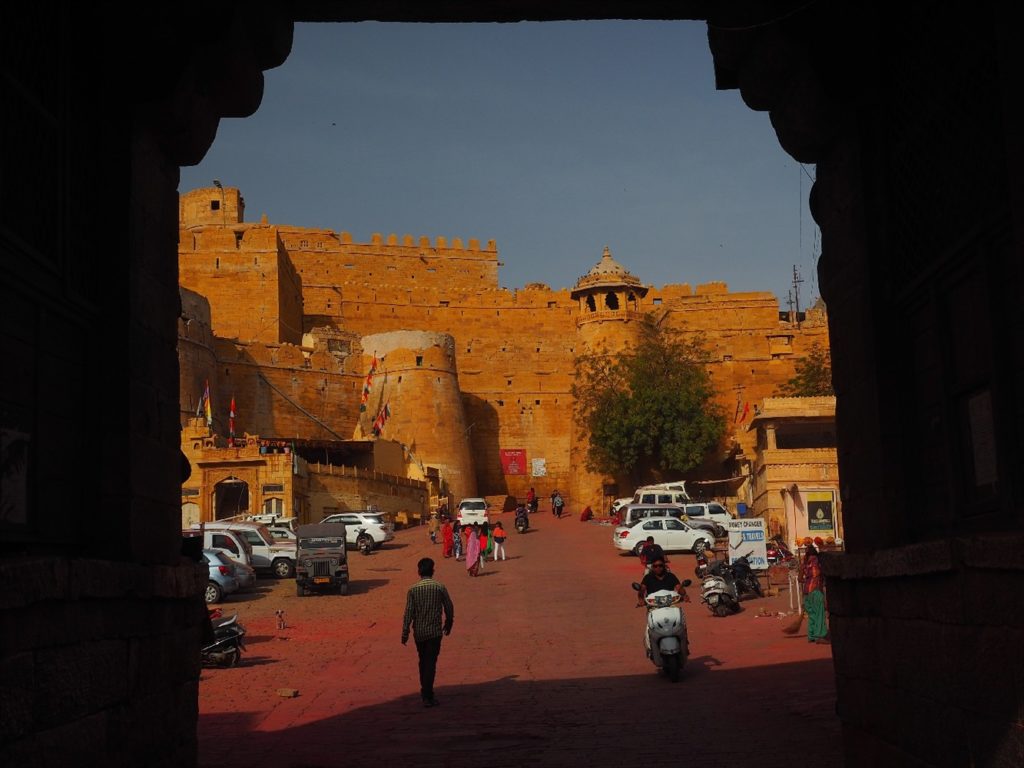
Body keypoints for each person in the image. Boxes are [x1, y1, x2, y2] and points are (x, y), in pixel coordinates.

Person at [401, 557, 454, 708]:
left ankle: (425, 692)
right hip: (435, 632)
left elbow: (408, 613)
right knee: (431, 663)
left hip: (419, 633)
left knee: (422, 661)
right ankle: (427, 694)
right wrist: (449, 623)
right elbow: (449, 607)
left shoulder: (413, 589)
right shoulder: (439, 587)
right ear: (433, 571)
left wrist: (405, 633)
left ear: (419, 571)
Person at [800, 544, 829, 644]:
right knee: (819, 614)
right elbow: (817, 575)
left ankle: (811, 635)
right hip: (815, 590)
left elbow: (800, 578)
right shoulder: (816, 561)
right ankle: (819, 636)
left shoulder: (804, 563)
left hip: (806, 592)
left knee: (812, 614)